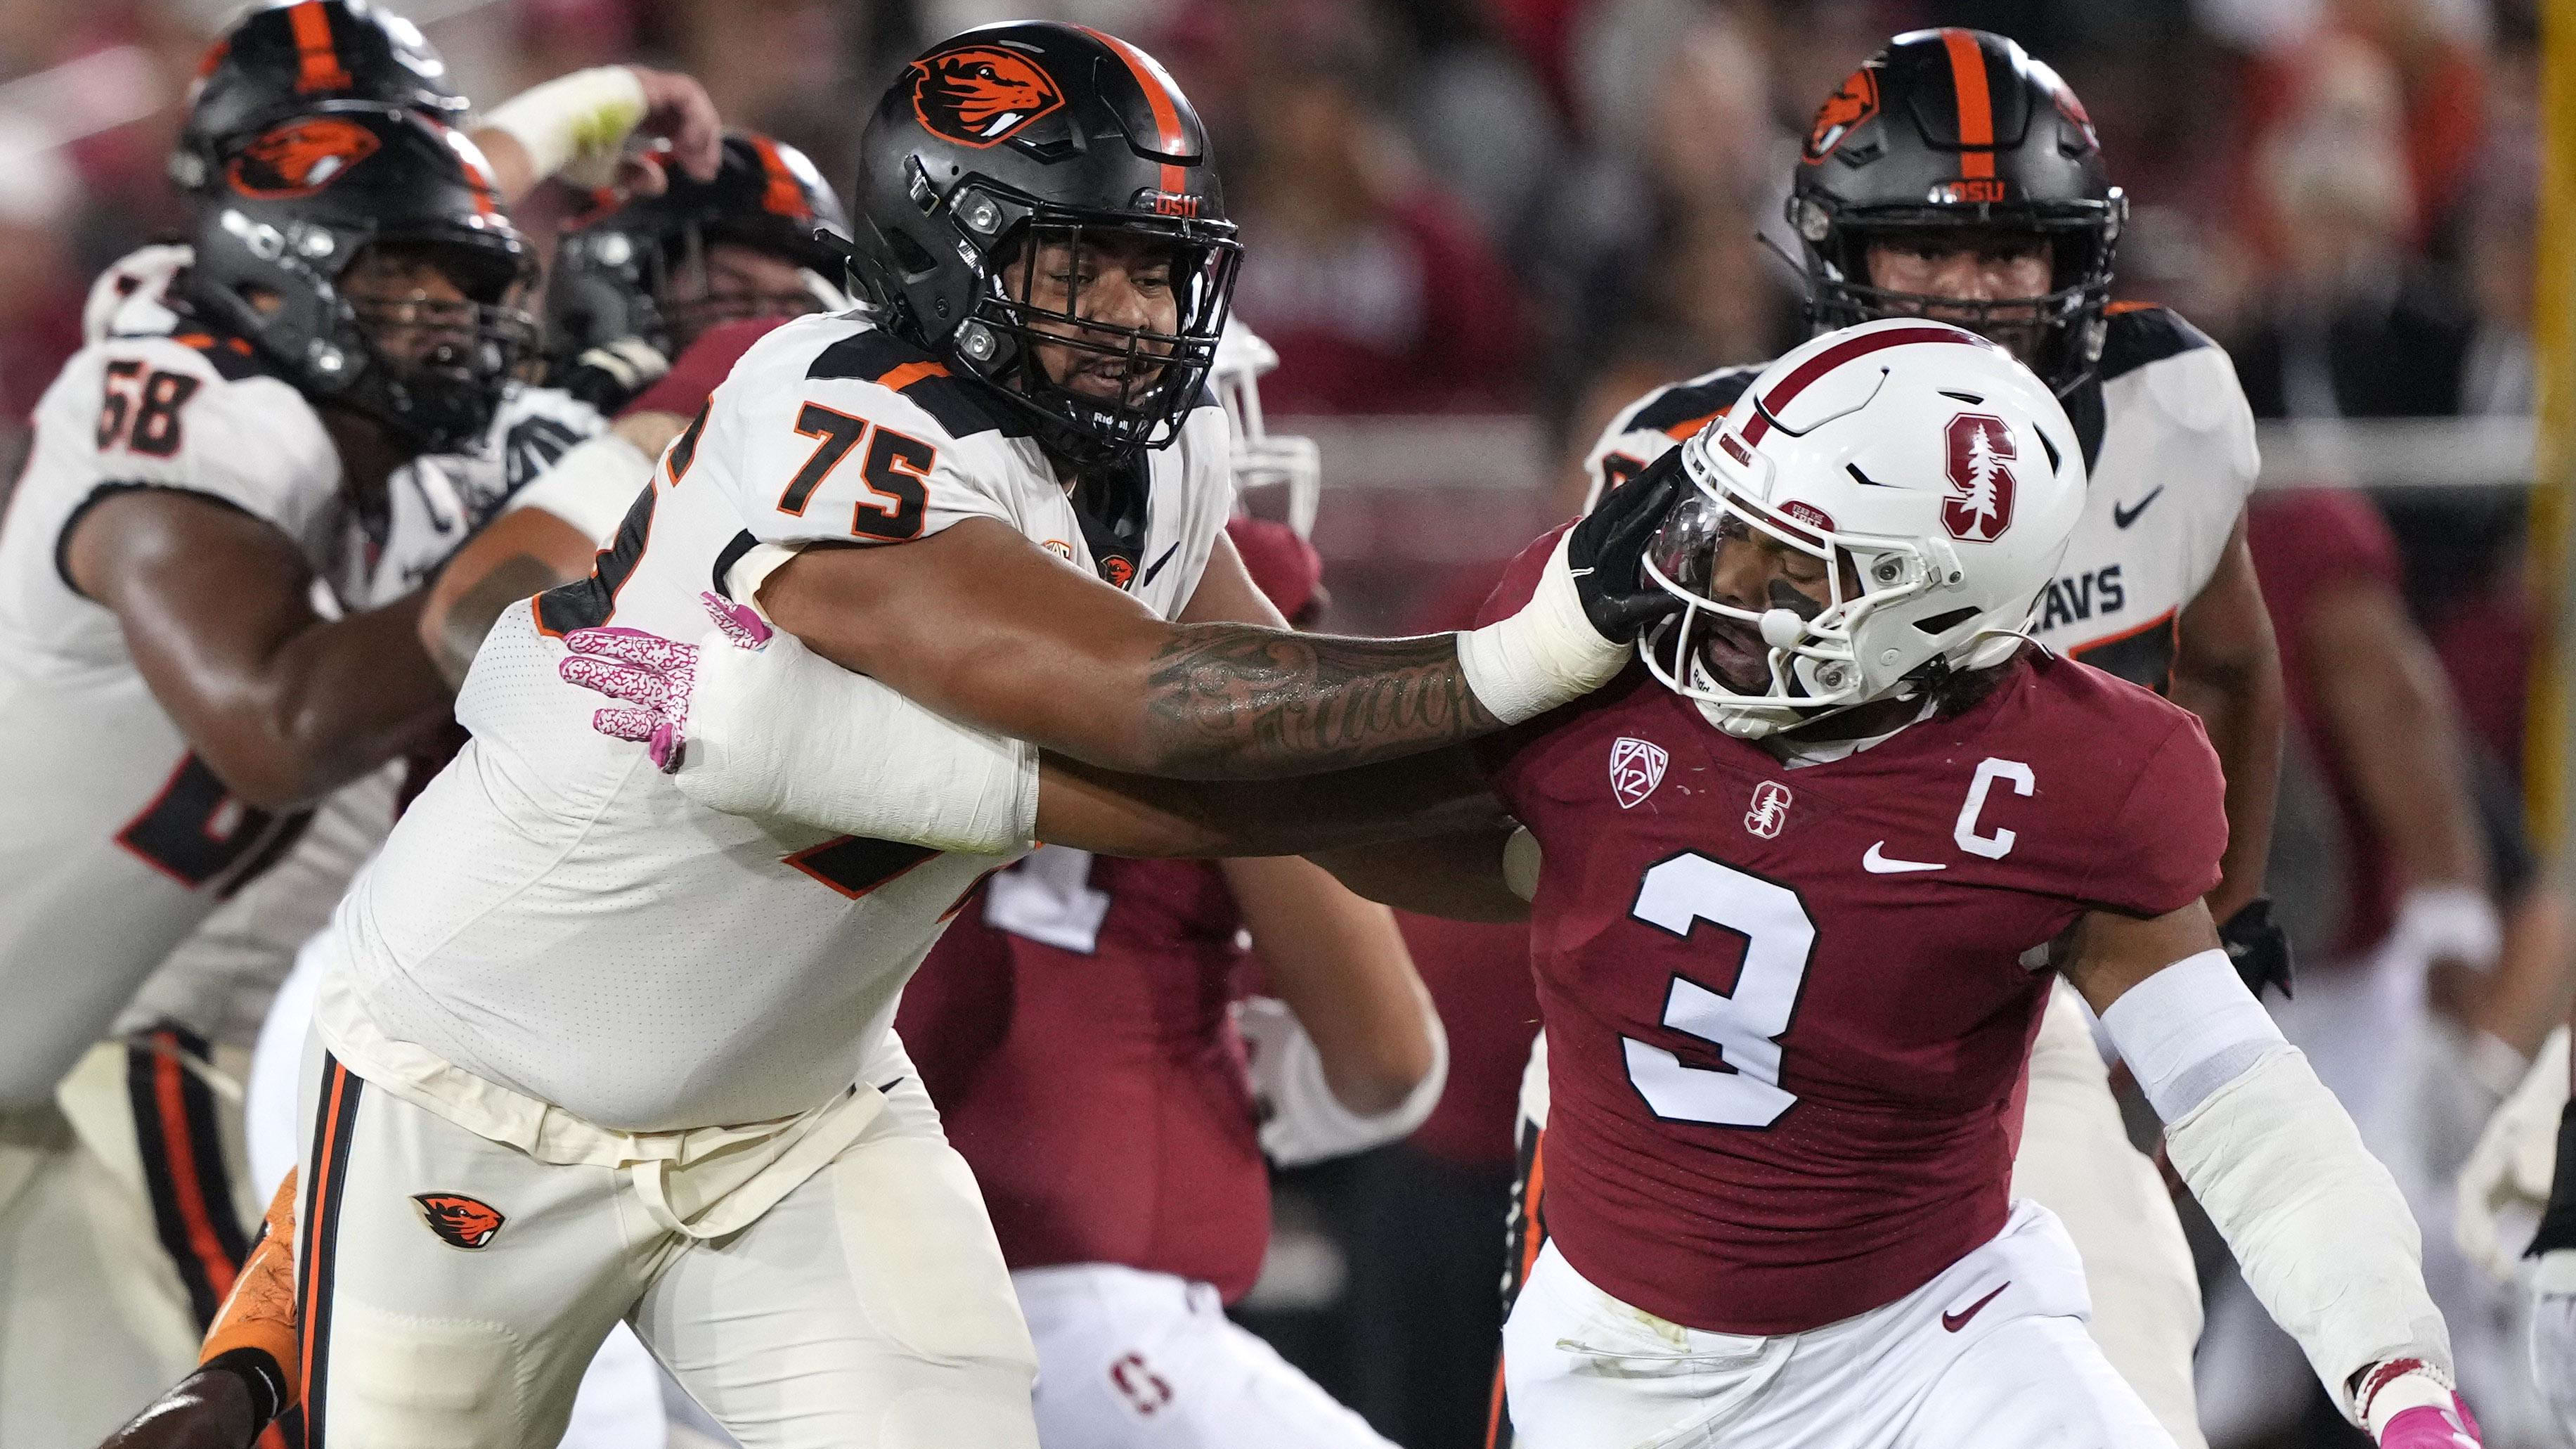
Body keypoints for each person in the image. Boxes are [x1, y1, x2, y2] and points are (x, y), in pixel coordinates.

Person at [560, 318, 2478, 1449]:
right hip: (1618, 1357)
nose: (1714, 581)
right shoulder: (1602, 652)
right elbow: (1247, 793)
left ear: (1935, 622)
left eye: (1790, 567)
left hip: (1934, 1339)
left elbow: (2239, 1100)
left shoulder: (2084, 772)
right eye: (1733, 521)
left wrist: (2401, 1377)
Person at [273, 21, 1674, 1445]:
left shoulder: (1158, 456)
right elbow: (1156, 706)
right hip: (490, 1080)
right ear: (944, 248)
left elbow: (1285, 744)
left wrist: (1563, 848)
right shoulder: (833, 410)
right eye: (1085, 264)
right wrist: (1538, 648)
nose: (1137, 312)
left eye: (1157, 265)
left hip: (790, 1109)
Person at [1528, 31, 2286, 1446]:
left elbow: (2233, 656)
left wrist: (2213, 936)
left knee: (2131, 1392)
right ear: (1837, 260)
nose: (1974, 295)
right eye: (1924, 254)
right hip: (1698, 1034)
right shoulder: (1692, 459)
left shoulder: (2169, 408)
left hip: (2006, 1014)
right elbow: (1570, 776)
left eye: (2014, 253)